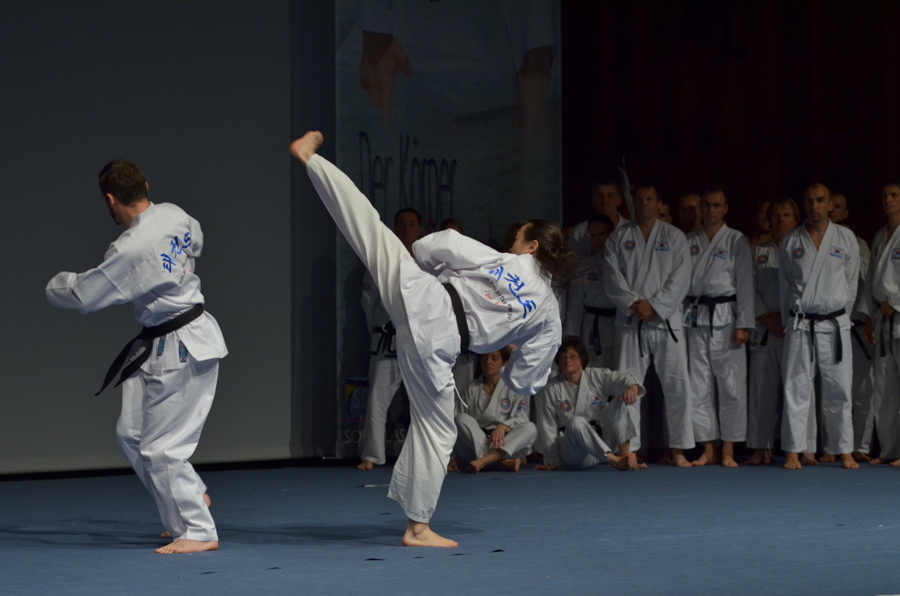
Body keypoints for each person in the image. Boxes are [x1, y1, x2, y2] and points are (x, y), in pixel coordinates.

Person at [290, 131, 575, 547]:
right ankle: (417, 527)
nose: (511, 243)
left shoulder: (510, 261)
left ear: (532, 247)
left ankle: (313, 161)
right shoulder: (549, 311)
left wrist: (421, 258)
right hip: (439, 340)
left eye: (518, 238)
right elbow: (527, 376)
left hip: (421, 297)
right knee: (437, 429)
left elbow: (449, 243)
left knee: (368, 228)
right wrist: (511, 360)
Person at [45, 159, 227, 554]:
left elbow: (84, 295)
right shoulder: (175, 214)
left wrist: (53, 287)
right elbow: (196, 241)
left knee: (162, 448)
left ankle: (199, 530)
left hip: (181, 343)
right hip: (164, 340)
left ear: (110, 199)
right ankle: (184, 509)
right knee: (131, 433)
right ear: (145, 186)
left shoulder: (130, 248)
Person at [604, 184, 695, 466]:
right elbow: (611, 275)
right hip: (632, 320)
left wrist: (654, 305)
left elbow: (681, 277)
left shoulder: (674, 236)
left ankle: (678, 449)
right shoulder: (619, 237)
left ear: (658, 203)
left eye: (649, 199)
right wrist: (634, 302)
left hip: (665, 320)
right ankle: (629, 448)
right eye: (639, 199)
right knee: (627, 386)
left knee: (677, 384)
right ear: (632, 204)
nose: (644, 203)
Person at [779, 183, 860, 470]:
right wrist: (788, 321)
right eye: (810, 201)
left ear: (830, 205)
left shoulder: (846, 238)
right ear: (804, 205)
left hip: (835, 324)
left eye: (820, 200)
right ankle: (793, 450)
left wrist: (840, 316)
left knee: (840, 390)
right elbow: (785, 286)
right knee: (796, 389)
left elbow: (851, 285)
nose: (815, 206)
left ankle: (844, 450)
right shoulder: (792, 240)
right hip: (801, 325)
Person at [684, 188, 754, 467]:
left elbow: (745, 283)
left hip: (727, 318)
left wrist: (744, 324)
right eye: (707, 205)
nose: (711, 210)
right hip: (695, 317)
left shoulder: (736, 239)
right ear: (700, 207)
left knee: (731, 385)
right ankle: (708, 446)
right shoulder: (689, 240)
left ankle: (729, 448)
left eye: (716, 205)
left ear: (725, 208)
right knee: (698, 385)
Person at [746, 198, 810, 465]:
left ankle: (805, 447)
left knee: (799, 388)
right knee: (761, 388)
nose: (781, 220)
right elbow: (748, 288)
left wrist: (787, 317)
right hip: (766, 326)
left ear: (795, 219)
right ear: (769, 220)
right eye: (776, 215)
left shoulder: (804, 248)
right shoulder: (759, 251)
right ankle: (760, 447)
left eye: (786, 215)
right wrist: (766, 316)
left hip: (794, 325)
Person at [358, 208, 423, 471]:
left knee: (425, 402)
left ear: (420, 229)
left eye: (411, 224)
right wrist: (378, 331)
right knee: (377, 399)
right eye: (401, 224)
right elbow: (368, 303)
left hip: (419, 342)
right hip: (387, 340)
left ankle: (430, 456)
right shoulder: (381, 259)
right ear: (394, 228)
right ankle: (372, 455)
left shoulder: (429, 260)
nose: (406, 228)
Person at [534, 337, 645, 471]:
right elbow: (547, 426)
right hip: (573, 452)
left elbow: (619, 378)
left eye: (573, 356)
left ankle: (625, 455)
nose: (567, 360)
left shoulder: (595, 376)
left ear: (582, 359)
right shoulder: (551, 388)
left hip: (600, 443)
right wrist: (552, 461)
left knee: (619, 401)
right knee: (576, 422)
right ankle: (613, 459)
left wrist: (631, 386)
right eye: (563, 357)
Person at [824, 192, 874, 462]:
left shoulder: (859, 243)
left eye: (838, 207)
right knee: (831, 390)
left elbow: (868, 282)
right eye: (830, 205)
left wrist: (867, 318)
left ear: (845, 213)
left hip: (857, 325)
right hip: (830, 325)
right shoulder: (817, 241)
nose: (832, 210)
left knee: (862, 390)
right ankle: (833, 447)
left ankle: (861, 447)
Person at [864, 182, 900, 466]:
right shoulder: (879, 235)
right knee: (884, 389)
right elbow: (870, 281)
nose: (888, 200)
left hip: (898, 314)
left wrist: (895, 301)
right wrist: (869, 316)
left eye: (894, 195)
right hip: (881, 318)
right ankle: (888, 450)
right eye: (885, 196)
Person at [454, 348, 536, 473]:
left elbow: (522, 418)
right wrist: (451, 457)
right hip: (475, 445)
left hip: (505, 443)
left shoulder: (514, 388)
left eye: (494, 358)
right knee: (460, 418)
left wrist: (503, 426)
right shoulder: (471, 388)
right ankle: (499, 461)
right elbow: (456, 424)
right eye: (485, 357)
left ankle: (485, 460)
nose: (488, 362)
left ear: (505, 363)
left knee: (530, 428)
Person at [564, 215, 617, 368]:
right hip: (592, 329)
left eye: (602, 234)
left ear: (612, 234)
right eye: (593, 235)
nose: (598, 239)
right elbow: (574, 310)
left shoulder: (624, 264)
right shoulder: (584, 266)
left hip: (617, 328)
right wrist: (571, 342)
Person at [568, 181, 628, 260]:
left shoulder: (630, 229)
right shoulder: (580, 231)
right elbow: (572, 262)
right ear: (593, 201)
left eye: (610, 196)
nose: (605, 201)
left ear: (619, 200)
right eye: (600, 196)